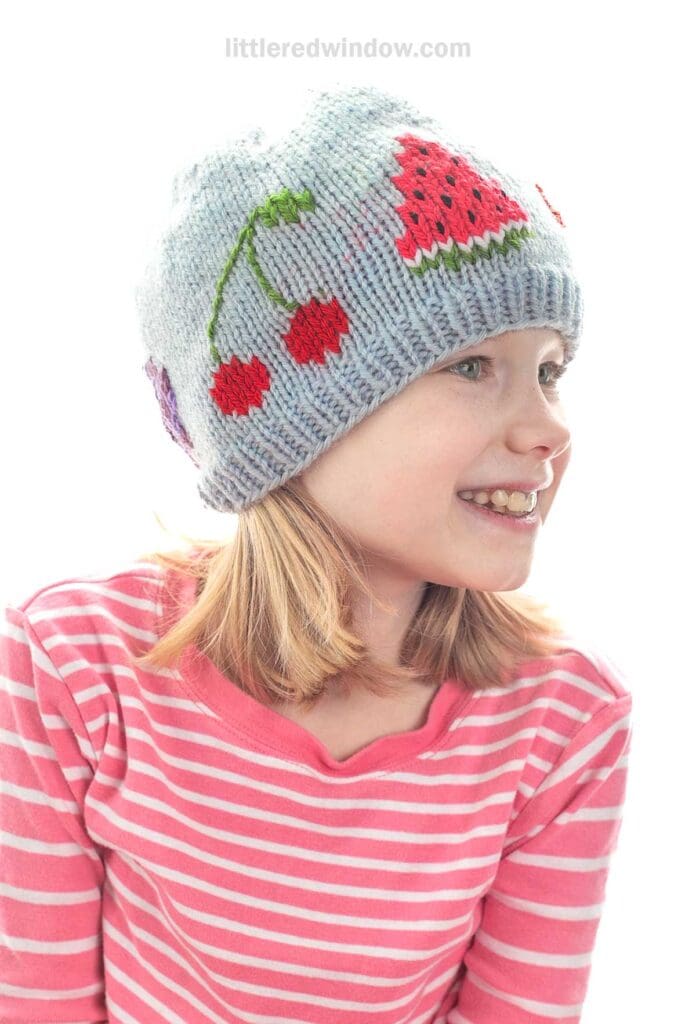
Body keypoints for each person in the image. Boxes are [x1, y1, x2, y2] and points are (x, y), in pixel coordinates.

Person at [0, 83, 633, 1023]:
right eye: (471, 366)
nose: (548, 427)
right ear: (295, 421)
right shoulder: (73, 670)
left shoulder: (561, 722)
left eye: (550, 371)